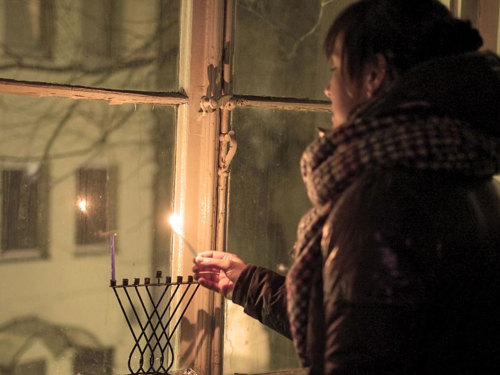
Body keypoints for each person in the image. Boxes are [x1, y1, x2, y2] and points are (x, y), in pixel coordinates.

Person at [193, 0, 500, 373]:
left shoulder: (382, 201)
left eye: (337, 69)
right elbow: (364, 325)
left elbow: (363, 355)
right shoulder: (468, 178)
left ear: (374, 75)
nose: (327, 88)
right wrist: (248, 284)